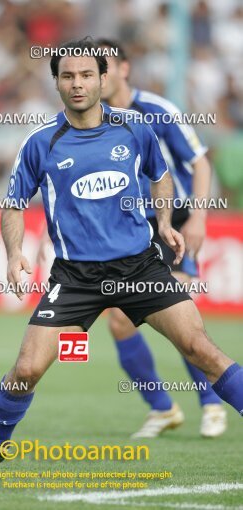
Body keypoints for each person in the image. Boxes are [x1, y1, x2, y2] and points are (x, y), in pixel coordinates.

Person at [0, 38, 242, 469]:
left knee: (201, 348)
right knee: (27, 369)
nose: (78, 84)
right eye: (68, 76)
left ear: (103, 78)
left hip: (140, 267)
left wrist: (165, 221)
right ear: (56, 82)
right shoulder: (41, 141)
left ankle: (183, 407)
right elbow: (14, 204)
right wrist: (15, 251)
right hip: (74, 278)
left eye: (87, 75)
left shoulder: (134, 127)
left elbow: (161, 176)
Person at [95, 38, 227, 438]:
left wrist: (200, 218)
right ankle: (162, 408)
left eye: (104, 66)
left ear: (124, 68)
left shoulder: (157, 110)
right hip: (129, 231)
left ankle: (210, 404)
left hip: (175, 224)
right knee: (119, 322)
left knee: (179, 319)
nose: (97, 76)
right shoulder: (88, 119)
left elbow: (199, 161)